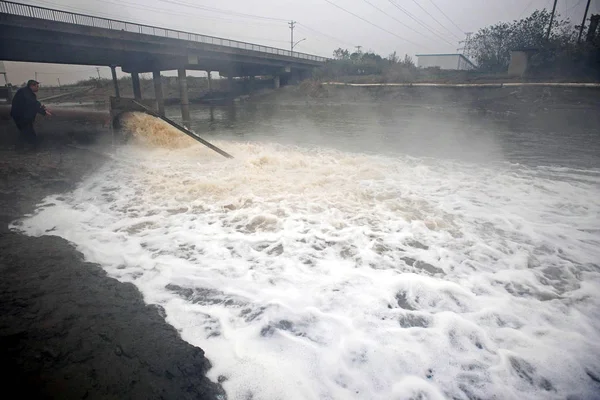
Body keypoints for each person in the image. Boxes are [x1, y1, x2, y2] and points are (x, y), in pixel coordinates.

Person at [10, 79, 52, 151]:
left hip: (21, 115)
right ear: (32, 86)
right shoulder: (26, 92)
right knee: (27, 132)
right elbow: (33, 104)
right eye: (37, 86)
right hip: (21, 116)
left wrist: (41, 107)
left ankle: (27, 147)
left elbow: (33, 103)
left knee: (26, 131)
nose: (38, 88)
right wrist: (44, 112)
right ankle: (27, 148)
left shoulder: (25, 92)